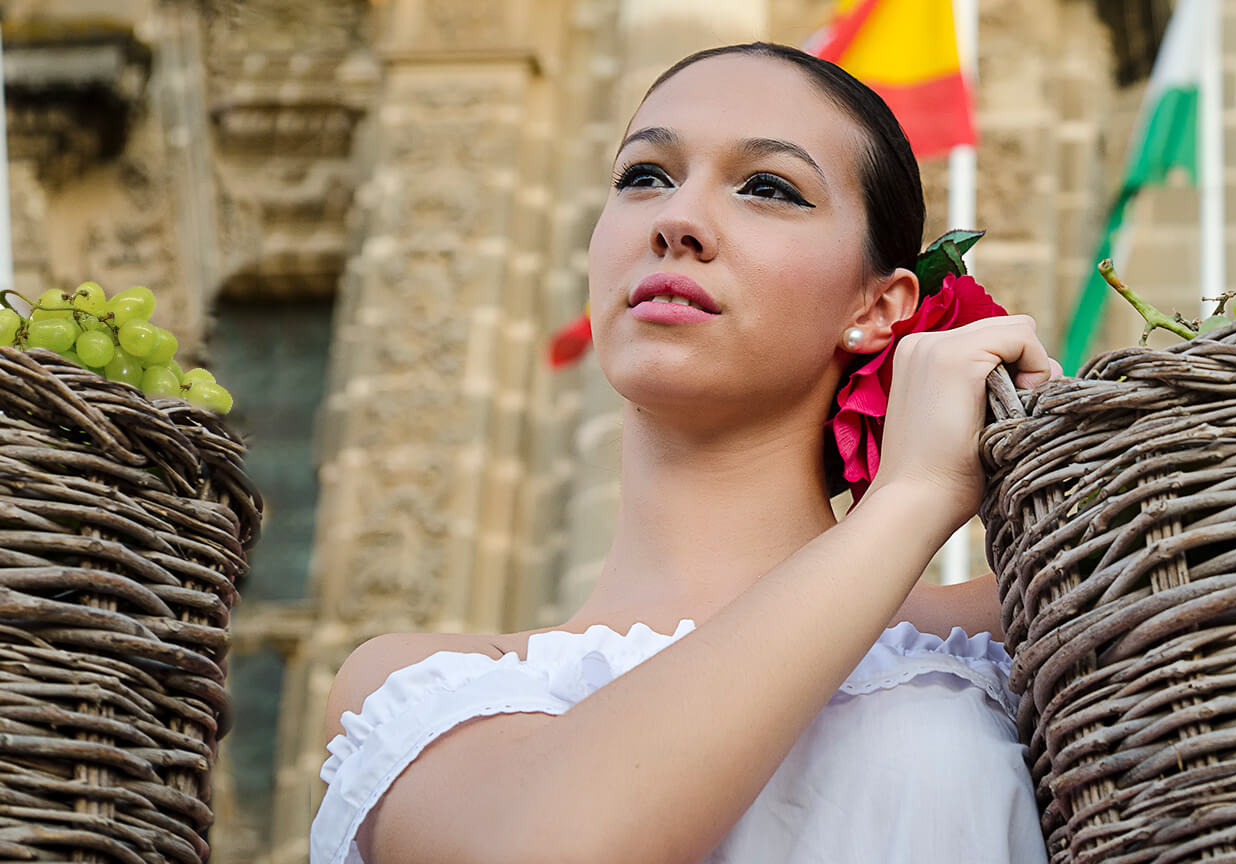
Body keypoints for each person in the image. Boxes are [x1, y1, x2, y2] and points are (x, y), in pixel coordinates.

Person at [307, 42, 1061, 864]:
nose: (677, 220)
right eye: (645, 176)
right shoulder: (424, 689)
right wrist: (912, 499)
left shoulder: (1014, 632)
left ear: (881, 307)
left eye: (768, 188)